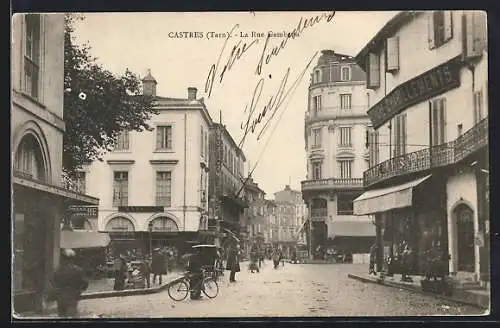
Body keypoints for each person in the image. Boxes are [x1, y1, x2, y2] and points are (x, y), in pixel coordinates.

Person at [49, 248, 88, 318]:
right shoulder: (78, 270)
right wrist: (79, 291)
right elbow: (85, 284)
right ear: (72, 259)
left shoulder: (58, 271)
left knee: (62, 317)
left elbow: (53, 283)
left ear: (63, 259)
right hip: (72, 298)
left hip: (61, 299)